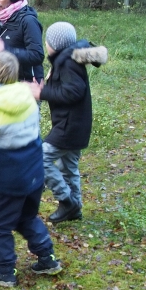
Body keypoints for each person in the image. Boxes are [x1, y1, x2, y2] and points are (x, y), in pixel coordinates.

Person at [0, 51, 62, 287]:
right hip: (34, 172)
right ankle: (47, 258)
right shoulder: (26, 95)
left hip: (11, 177)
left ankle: (5, 270)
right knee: (26, 216)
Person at [29, 22, 107, 223]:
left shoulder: (67, 62)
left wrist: (42, 93)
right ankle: (76, 208)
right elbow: (67, 87)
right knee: (69, 165)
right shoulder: (68, 57)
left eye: (47, 41)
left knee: (40, 158)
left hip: (69, 126)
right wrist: (46, 86)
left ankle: (66, 201)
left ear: (54, 44)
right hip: (76, 124)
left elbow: (74, 91)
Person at [0, 0, 45, 83]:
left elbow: (37, 55)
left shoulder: (28, 21)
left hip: (26, 84)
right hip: (5, 80)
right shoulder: (1, 19)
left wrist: (6, 50)